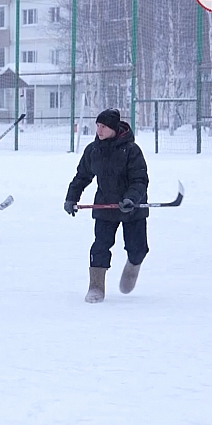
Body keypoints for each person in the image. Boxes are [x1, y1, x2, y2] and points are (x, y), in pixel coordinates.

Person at [64, 108, 150, 303]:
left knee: (138, 248)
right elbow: (82, 176)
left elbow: (140, 180)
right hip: (105, 205)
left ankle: (132, 267)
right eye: (98, 126)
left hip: (132, 207)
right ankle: (96, 286)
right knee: (100, 246)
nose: (99, 130)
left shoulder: (131, 150)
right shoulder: (93, 150)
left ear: (114, 128)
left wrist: (131, 199)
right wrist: (71, 198)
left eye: (104, 126)